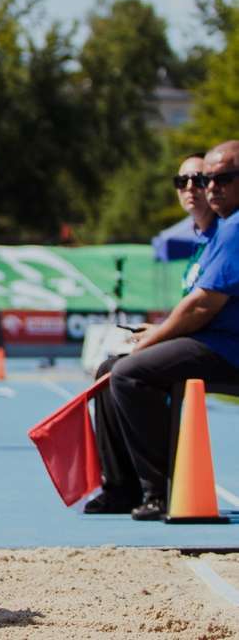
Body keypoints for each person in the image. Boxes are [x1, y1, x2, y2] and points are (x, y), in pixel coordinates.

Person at [90, 142, 239, 521]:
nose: (208, 187)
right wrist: (156, 332)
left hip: (228, 349)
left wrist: (152, 340)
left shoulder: (234, 228)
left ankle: (160, 490)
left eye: (222, 178)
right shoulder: (216, 234)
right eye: (206, 179)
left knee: (128, 373)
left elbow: (202, 306)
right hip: (212, 340)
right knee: (109, 371)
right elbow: (197, 307)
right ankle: (121, 487)